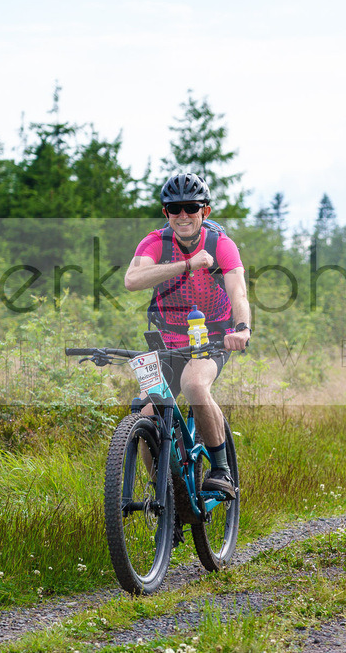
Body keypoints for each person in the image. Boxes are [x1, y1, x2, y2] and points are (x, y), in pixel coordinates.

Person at [124, 173, 251, 498]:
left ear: (204, 211)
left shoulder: (220, 243)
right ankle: (167, 494)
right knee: (145, 412)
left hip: (210, 340)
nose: (183, 215)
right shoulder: (155, 242)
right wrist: (186, 265)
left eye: (191, 207)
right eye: (175, 208)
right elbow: (132, 280)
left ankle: (220, 470)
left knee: (195, 385)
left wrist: (242, 329)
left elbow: (238, 291)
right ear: (165, 212)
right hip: (164, 342)